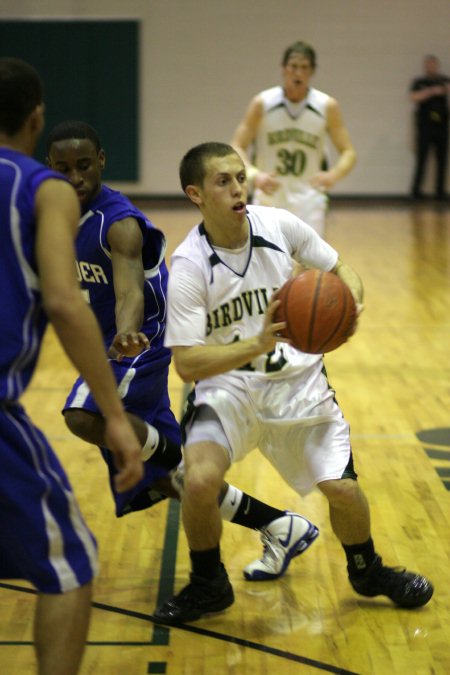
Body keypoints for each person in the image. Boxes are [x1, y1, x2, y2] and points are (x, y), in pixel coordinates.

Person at [153, 142, 434, 625]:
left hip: (299, 385)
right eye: (223, 181)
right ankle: (208, 584)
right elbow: (187, 364)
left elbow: (340, 269)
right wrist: (254, 345)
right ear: (195, 194)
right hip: (229, 388)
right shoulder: (189, 265)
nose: (238, 187)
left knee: (342, 491)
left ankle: (367, 571)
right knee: (197, 480)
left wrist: (352, 305)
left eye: (240, 177)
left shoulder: (279, 224)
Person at [46, 121, 319, 580]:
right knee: (171, 477)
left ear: (103, 162)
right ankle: (278, 524)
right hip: (106, 348)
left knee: (83, 415)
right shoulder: (56, 215)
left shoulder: (119, 223)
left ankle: (170, 458)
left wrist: (127, 334)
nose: (75, 176)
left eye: (85, 166)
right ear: (49, 168)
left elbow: (130, 290)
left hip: (140, 345)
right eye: (63, 168)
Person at [0, 58, 144, 675]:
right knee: (72, 564)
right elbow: (63, 301)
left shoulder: (116, 219)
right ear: (36, 118)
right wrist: (113, 412)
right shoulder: (40, 188)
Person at [231, 40, 356, 238]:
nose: (298, 73)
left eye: (304, 67)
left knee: (311, 265)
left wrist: (334, 175)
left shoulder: (327, 106)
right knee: (270, 264)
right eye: (293, 67)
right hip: (269, 198)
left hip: (309, 198)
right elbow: (237, 145)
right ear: (283, 69)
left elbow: (348, 152)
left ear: (312, 71)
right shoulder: (262, 103)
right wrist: (254, 175)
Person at [410, 54, 449, 201]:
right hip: (425, 127)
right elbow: (414, 97)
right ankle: (416, 191)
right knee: (422, 159)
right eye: (428, 64)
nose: (430, 66)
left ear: (437, 65)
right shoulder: (420, 82)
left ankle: (440, 192)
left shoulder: (444, 80)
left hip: (442, 126)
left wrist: (443, 89)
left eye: (433, 64)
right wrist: (431, 91)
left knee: (442, 159)